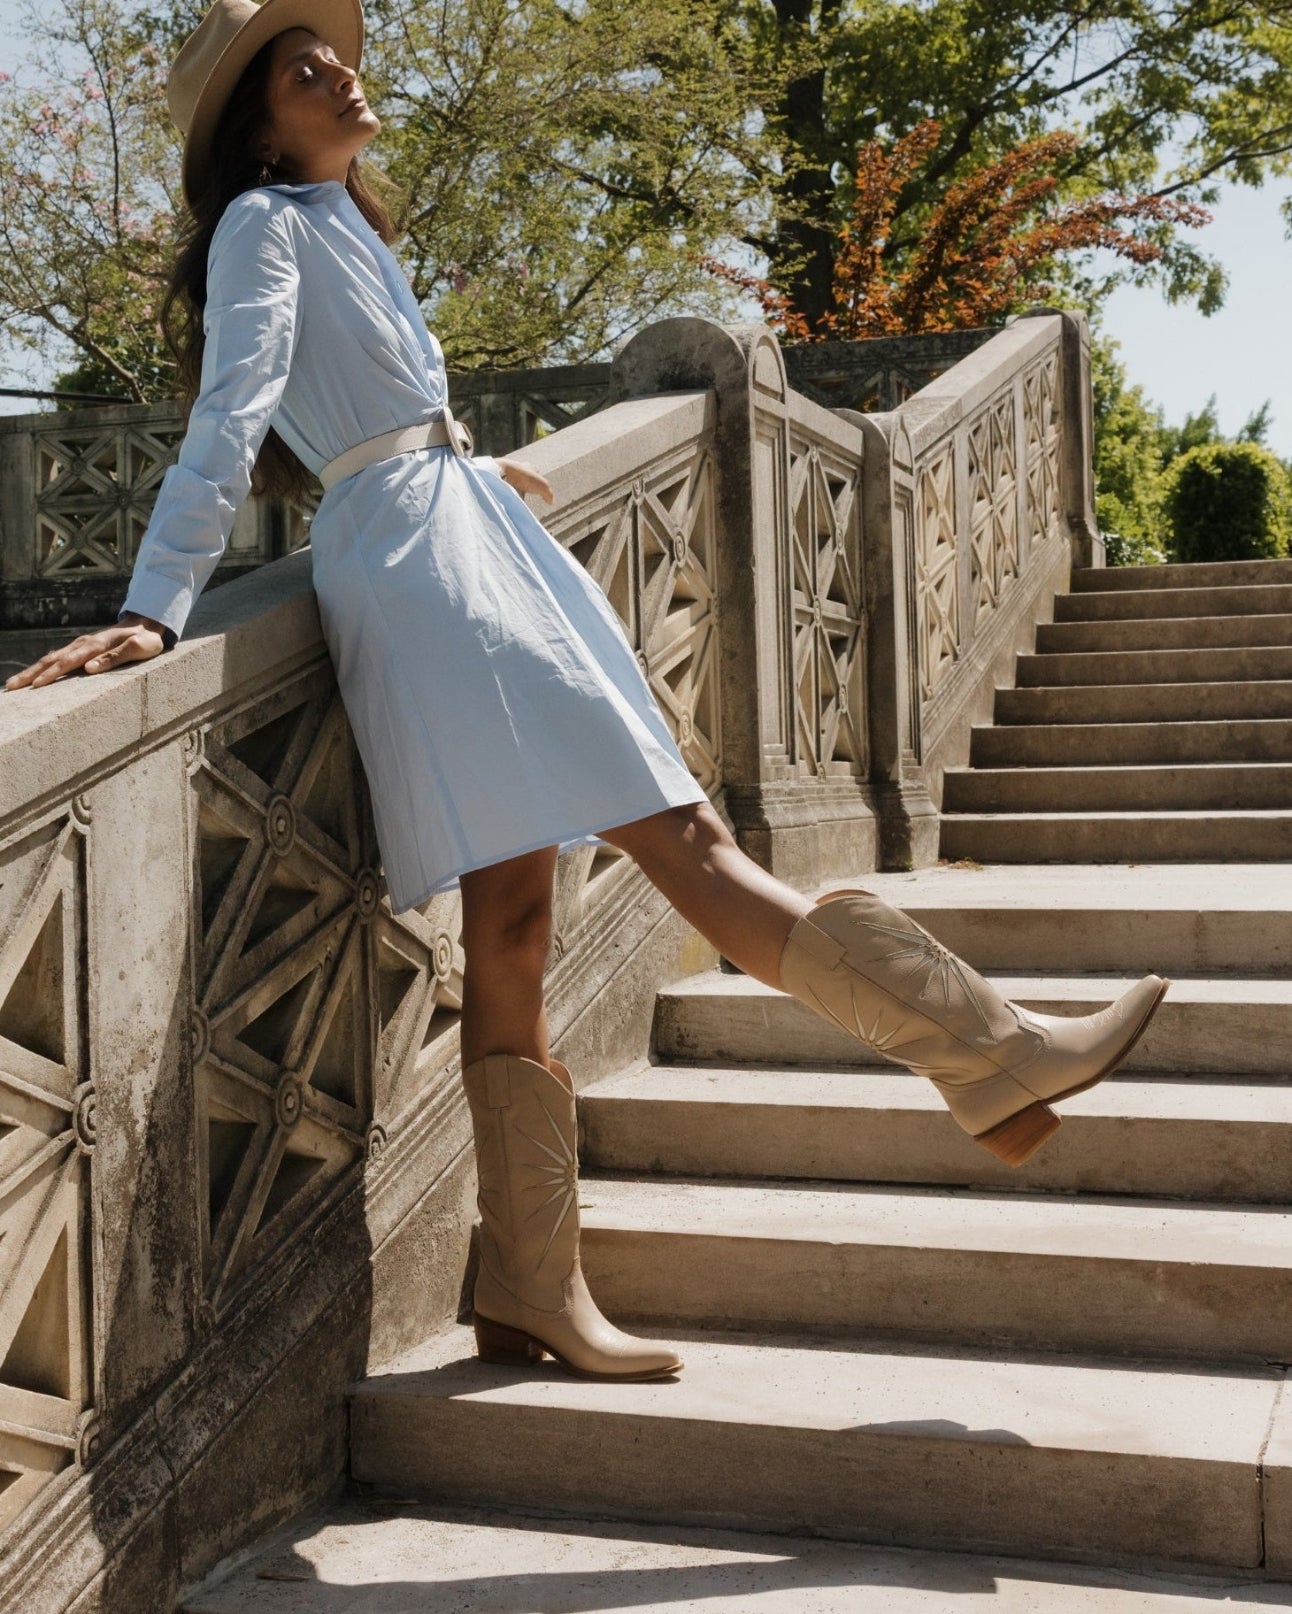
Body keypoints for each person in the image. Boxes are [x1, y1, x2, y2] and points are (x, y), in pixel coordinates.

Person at [4, 0, 1169, 1384]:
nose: (344, 74)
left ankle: (528, 1286)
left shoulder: (337, 224)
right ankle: (990, 1050)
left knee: (514, 922)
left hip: (459, 539)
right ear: (259, 129)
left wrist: (468, 462)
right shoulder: (266, 224)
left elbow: (371, 411)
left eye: (337, 55)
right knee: (685, 839)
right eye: (307, 72)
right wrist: (155, 603)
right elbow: (237, 411)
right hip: (428, 574)